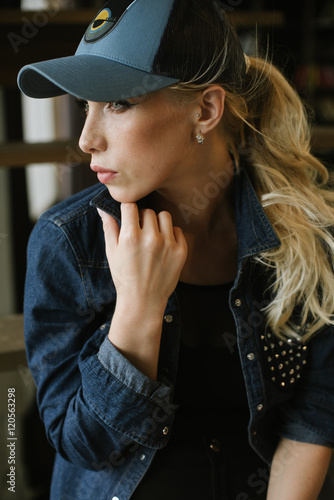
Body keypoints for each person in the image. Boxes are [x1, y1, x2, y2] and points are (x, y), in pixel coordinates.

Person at [18, 0, 334, 499]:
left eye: (117, 103)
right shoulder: (68, 242)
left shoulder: (305, 235)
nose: (86, 139)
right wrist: (137, 310)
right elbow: (81, 445)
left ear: (205, 110)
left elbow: (316, 412)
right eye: (86, 105)